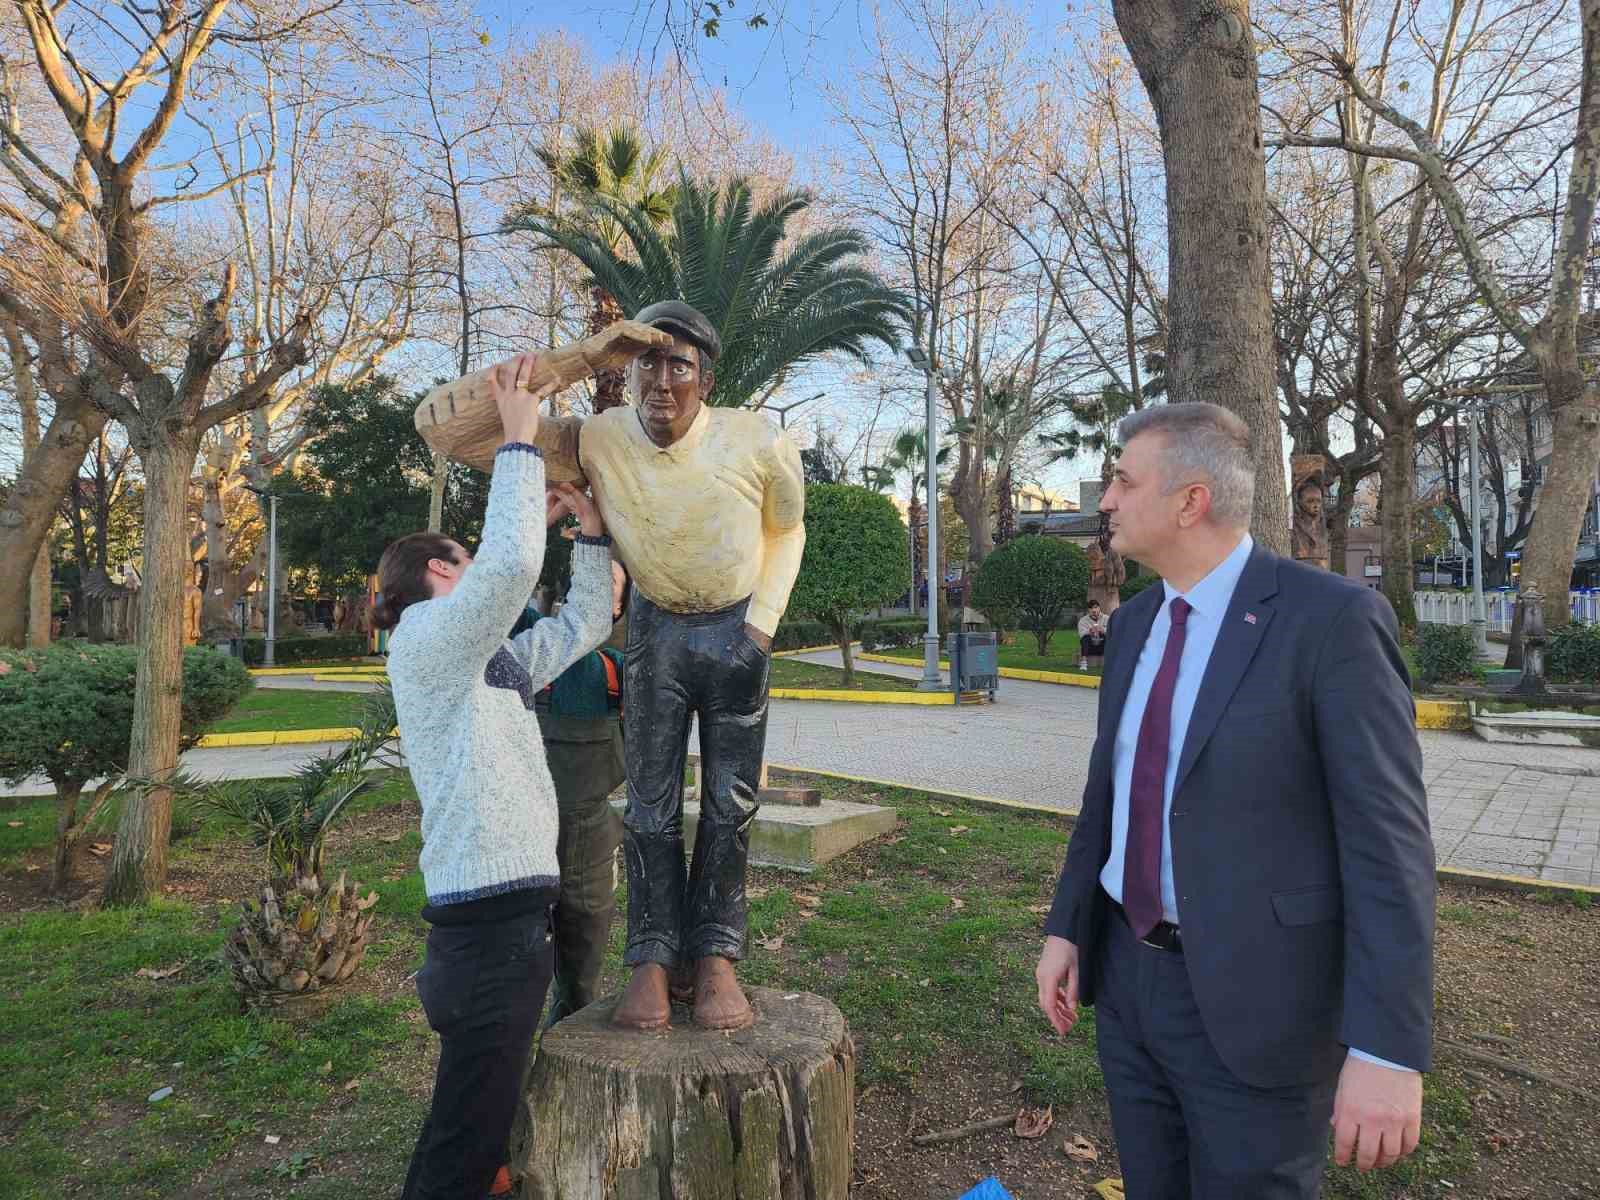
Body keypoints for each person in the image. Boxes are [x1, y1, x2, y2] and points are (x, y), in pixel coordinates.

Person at [1034, 403, 1435, 1199]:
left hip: (1262, 1007)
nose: (1106, 499)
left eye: (1122, 479)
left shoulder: (1332, 623)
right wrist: (1068, 925)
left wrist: (1389, 1050)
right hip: (1125, 989)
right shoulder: (1137, 623)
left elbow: (1389, 848)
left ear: (1191, 501)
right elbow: (1108, 794)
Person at [516, 299, 806, 1033]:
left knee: (730, 805)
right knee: (647, 803)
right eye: (647, 359)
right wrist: (588, 355)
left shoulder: (757, 441)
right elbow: (455, 427)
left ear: (706, 377)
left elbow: (788, 527)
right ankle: (650, 954)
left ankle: (715, 955)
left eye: (680, 363)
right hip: (654, 635)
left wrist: (762, 630)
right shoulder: (600, 437)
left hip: (736, 632)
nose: (661, 380)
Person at [375, 360, 617, 1200]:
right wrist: (519, 441)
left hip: (507, 923)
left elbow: (584, 624)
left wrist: (584, 530)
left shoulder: (490, 661)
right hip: (485, 934)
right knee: (462, 1144)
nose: (474, 564)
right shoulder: (424, 637)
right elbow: (509, 571)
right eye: (462, 556)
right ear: (440, 576)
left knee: (479, 1125)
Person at [510, 559, 631, 1026]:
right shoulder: (533, 640)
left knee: (583, 955)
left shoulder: (619, 668)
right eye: (586, 578)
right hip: (520, 831)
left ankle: (568, 1050)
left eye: (609, 586)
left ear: (619, 606)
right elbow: (499, 589)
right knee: (518, 955)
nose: (596, 588)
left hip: (590, 835)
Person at [1077, 600, 1108, 671]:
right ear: (1088, 610)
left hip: (1103, 646)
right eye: (1091, 608)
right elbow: (1081, 634)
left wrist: (1102, 630)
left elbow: (1113, 631)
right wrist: (1090, 631)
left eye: (1095, 607)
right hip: (1090, 647)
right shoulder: (1083, 620)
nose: (1093, 610)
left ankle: (1111, 662)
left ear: (1099, 608)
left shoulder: (1106, 618)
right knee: (1085, 638)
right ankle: (1084, 663)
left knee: (1108, 637)